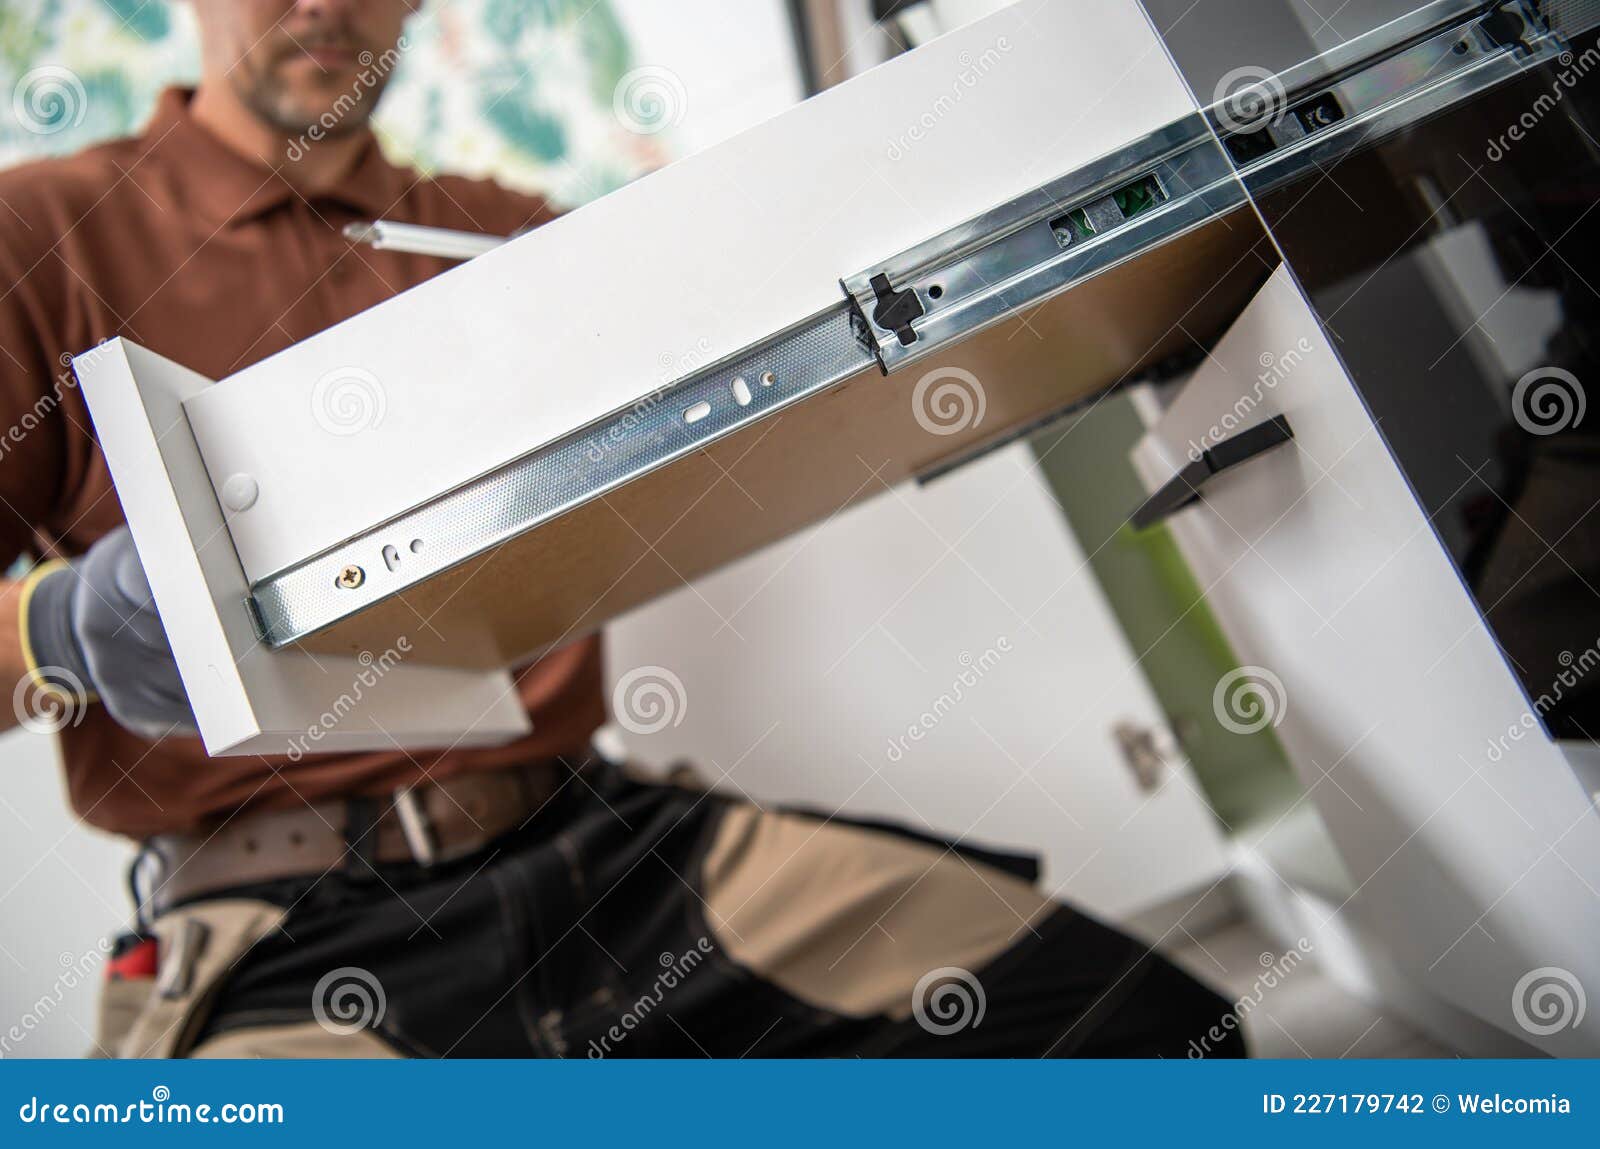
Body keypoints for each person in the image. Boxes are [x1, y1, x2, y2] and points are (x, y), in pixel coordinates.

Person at [0, 0, 1243, 1059]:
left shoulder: (502, 239)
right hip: (279, 929)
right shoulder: (42, 238)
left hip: (605, 858)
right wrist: (56, 629)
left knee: (1148, 1037)